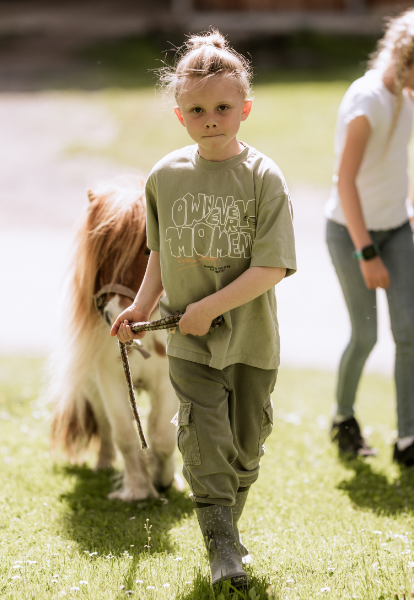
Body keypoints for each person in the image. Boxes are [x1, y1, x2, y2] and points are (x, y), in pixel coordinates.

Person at [110, 29, 296, 593]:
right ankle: (221, 546)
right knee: (202, 436)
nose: (210, 117)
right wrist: (141, 309)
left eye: (221, 107)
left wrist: (210, 306)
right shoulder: (166, 176)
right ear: (179, 115)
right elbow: (160, 254)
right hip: (189, 344)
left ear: (245, 108)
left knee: (244, 446)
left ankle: (227, 528)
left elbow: (271, 268)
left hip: (251, 341)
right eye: (197, 109)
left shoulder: (266, 178)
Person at [325, 6, 414, 470]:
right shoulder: (367, 103)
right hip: (351, 233)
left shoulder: (405, 96)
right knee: (365, 335)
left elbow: (390, 170)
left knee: (410, 333)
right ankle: (343, 419)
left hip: (397, 228)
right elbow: (345, 183)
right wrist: (366, 252)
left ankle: (408, 442)